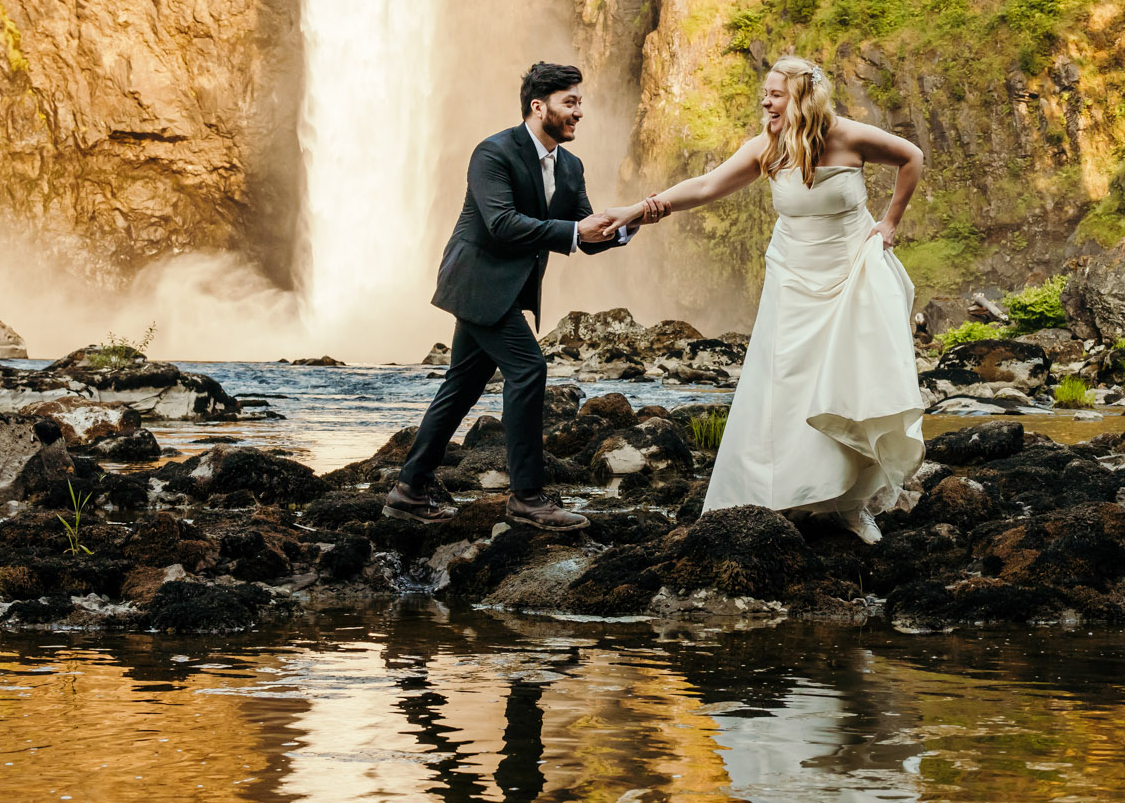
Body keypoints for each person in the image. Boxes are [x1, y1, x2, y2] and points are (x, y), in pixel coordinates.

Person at [644, 56, 927, 542]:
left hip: (851, 272)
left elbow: (912, 157)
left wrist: (890, 223)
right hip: (793, 277)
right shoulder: (768, 146)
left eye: (775, 94)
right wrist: (644, 209)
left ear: (802, 98)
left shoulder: (849, 135)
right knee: (788, 388)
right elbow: (708, 185)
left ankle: (851, 504)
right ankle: (784, 495)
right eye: (766, 93)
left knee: (851, 383)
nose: (766, 101)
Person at [386, 61, 660, 529]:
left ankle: (411, 487)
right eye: (570, 102)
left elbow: (582, 236)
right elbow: (502, 223)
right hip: (475, 282)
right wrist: (575, 229)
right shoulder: (492, 152)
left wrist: (625, 227)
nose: (579, 112)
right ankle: (527, 498)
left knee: (463, 386)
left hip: (507, 292)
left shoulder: (571, 167)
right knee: (529, 368)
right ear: (539, 106)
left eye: (580, 102)